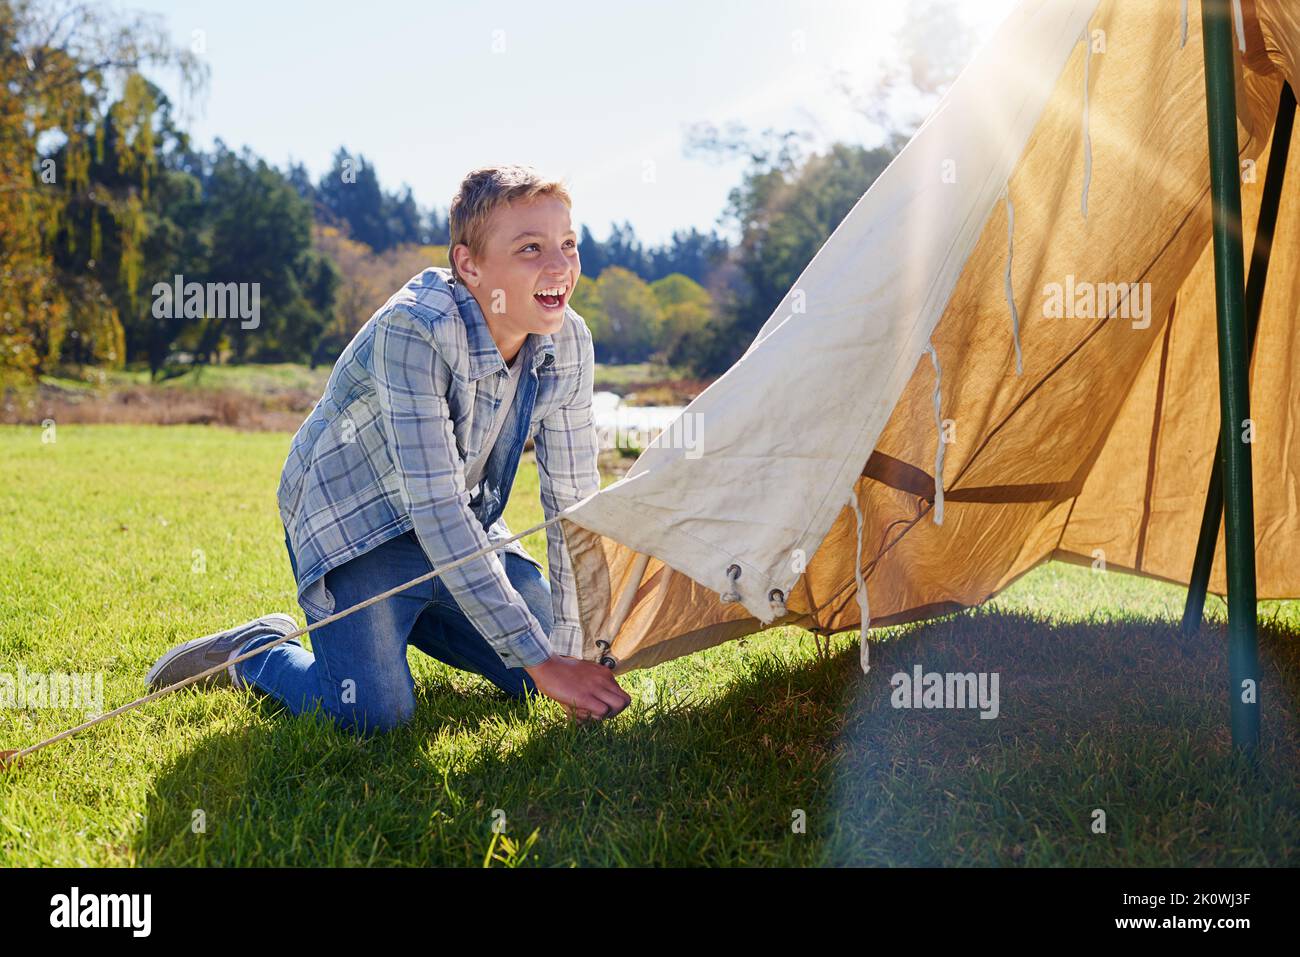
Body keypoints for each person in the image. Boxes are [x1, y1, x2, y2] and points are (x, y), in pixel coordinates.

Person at [145, 164, 631, 734]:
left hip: (462, 531)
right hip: (359, 529)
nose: (560, 266)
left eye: (568, 244)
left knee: (540, 676)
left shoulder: (569, 340)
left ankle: (424, 617)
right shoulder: (414, 329)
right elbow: (436, 508)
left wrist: (566, 651)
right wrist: (542, 658)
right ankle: (256, 651)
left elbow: (573, 501)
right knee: (375, 716)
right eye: (531, 248)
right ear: (469, 265)